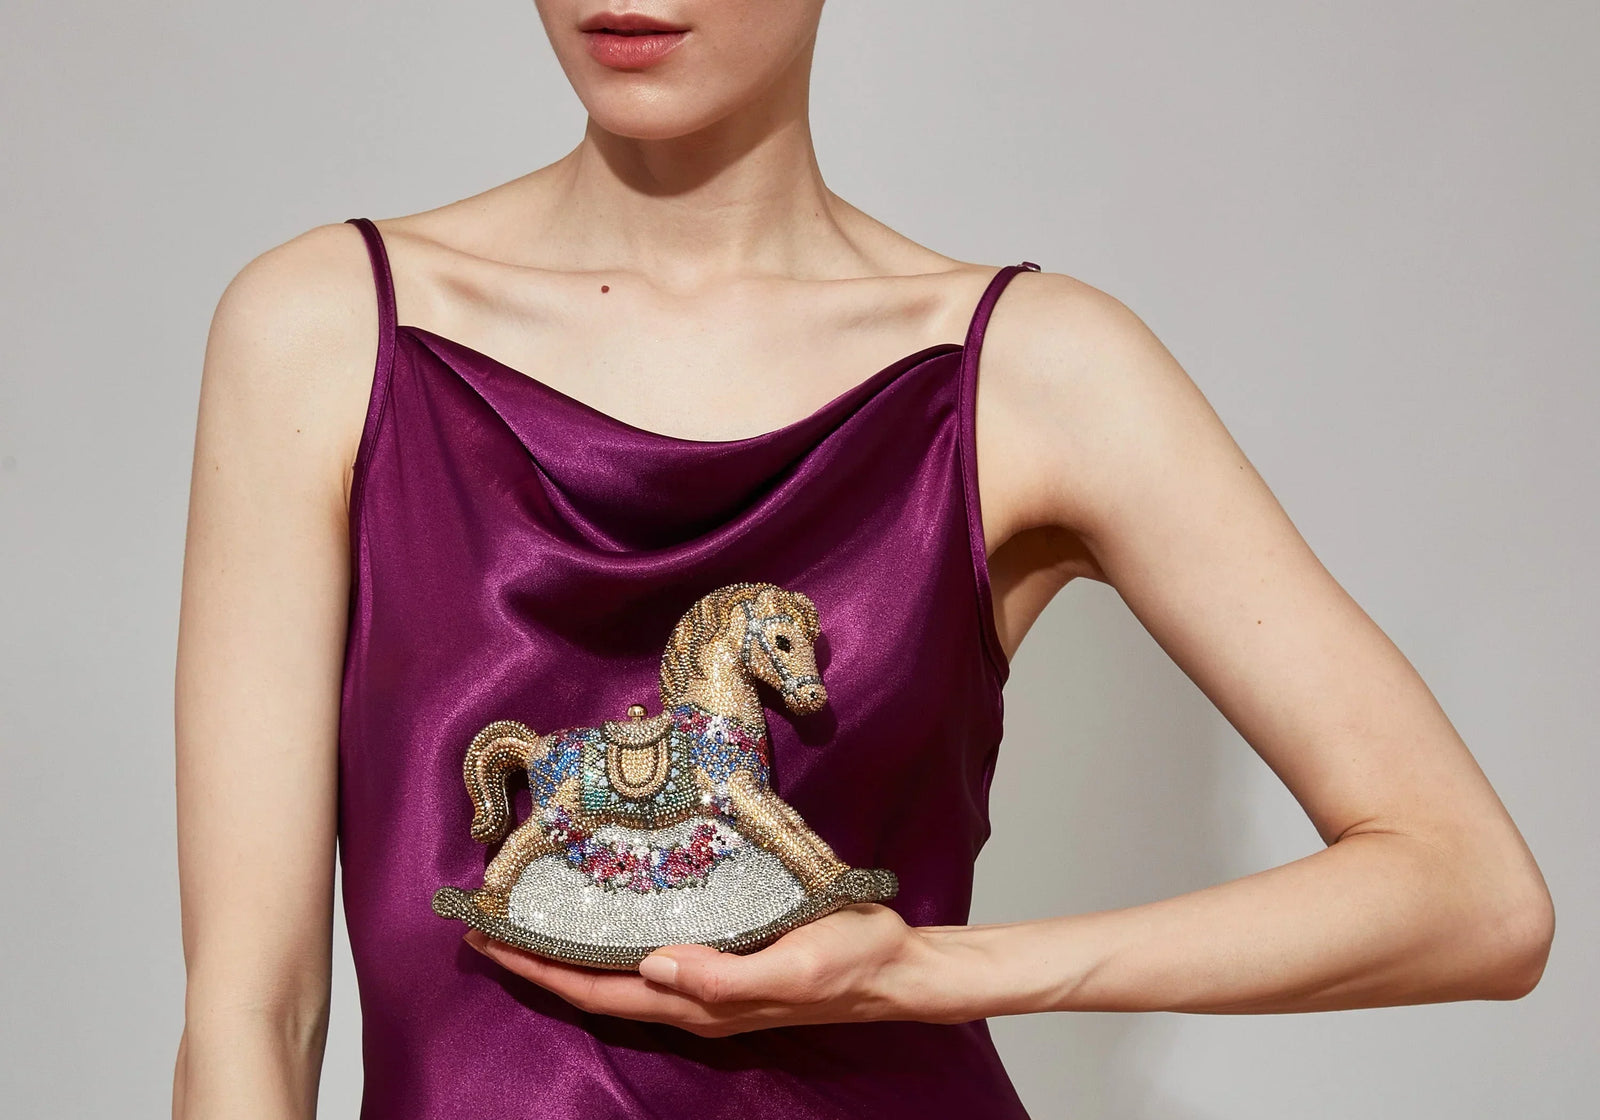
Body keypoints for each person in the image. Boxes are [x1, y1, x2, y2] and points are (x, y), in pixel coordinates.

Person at [172, 2, 1555, 1117]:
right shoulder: (325, 334)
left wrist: (923, 977)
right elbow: (253, 1014)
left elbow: (1474, 898)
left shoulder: (1030, 374)